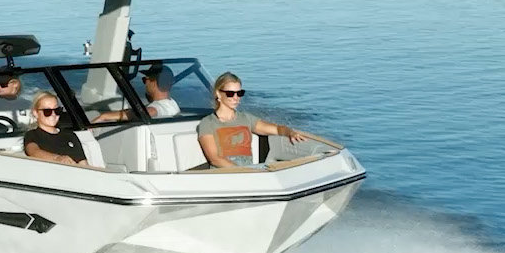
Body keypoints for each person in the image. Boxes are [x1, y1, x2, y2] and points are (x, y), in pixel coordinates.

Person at [195, 71, 339, 169]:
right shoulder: (208, 124)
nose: (236, 97)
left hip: (249, 174)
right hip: (225, 176)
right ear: (218, 94)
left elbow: (276, 129)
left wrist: (289, 132)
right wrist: (245, 173)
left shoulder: (246, 119)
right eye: (231, 93)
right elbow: (215, 159)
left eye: (239, 93)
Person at [91, 65, 180, 124]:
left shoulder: (159, 107)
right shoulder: (171, 103)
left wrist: (104, 116)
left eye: (145, 80)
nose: (145, 84)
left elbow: (149, 112)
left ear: (153, 83)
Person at [22, 91, 89, 166]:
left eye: (57, 110)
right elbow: (34, 152)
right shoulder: (32, 135)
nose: (53, 115)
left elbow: (83, 163)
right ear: (35, 113)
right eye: (47, 111)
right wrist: (58, 159)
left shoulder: (70, 135)